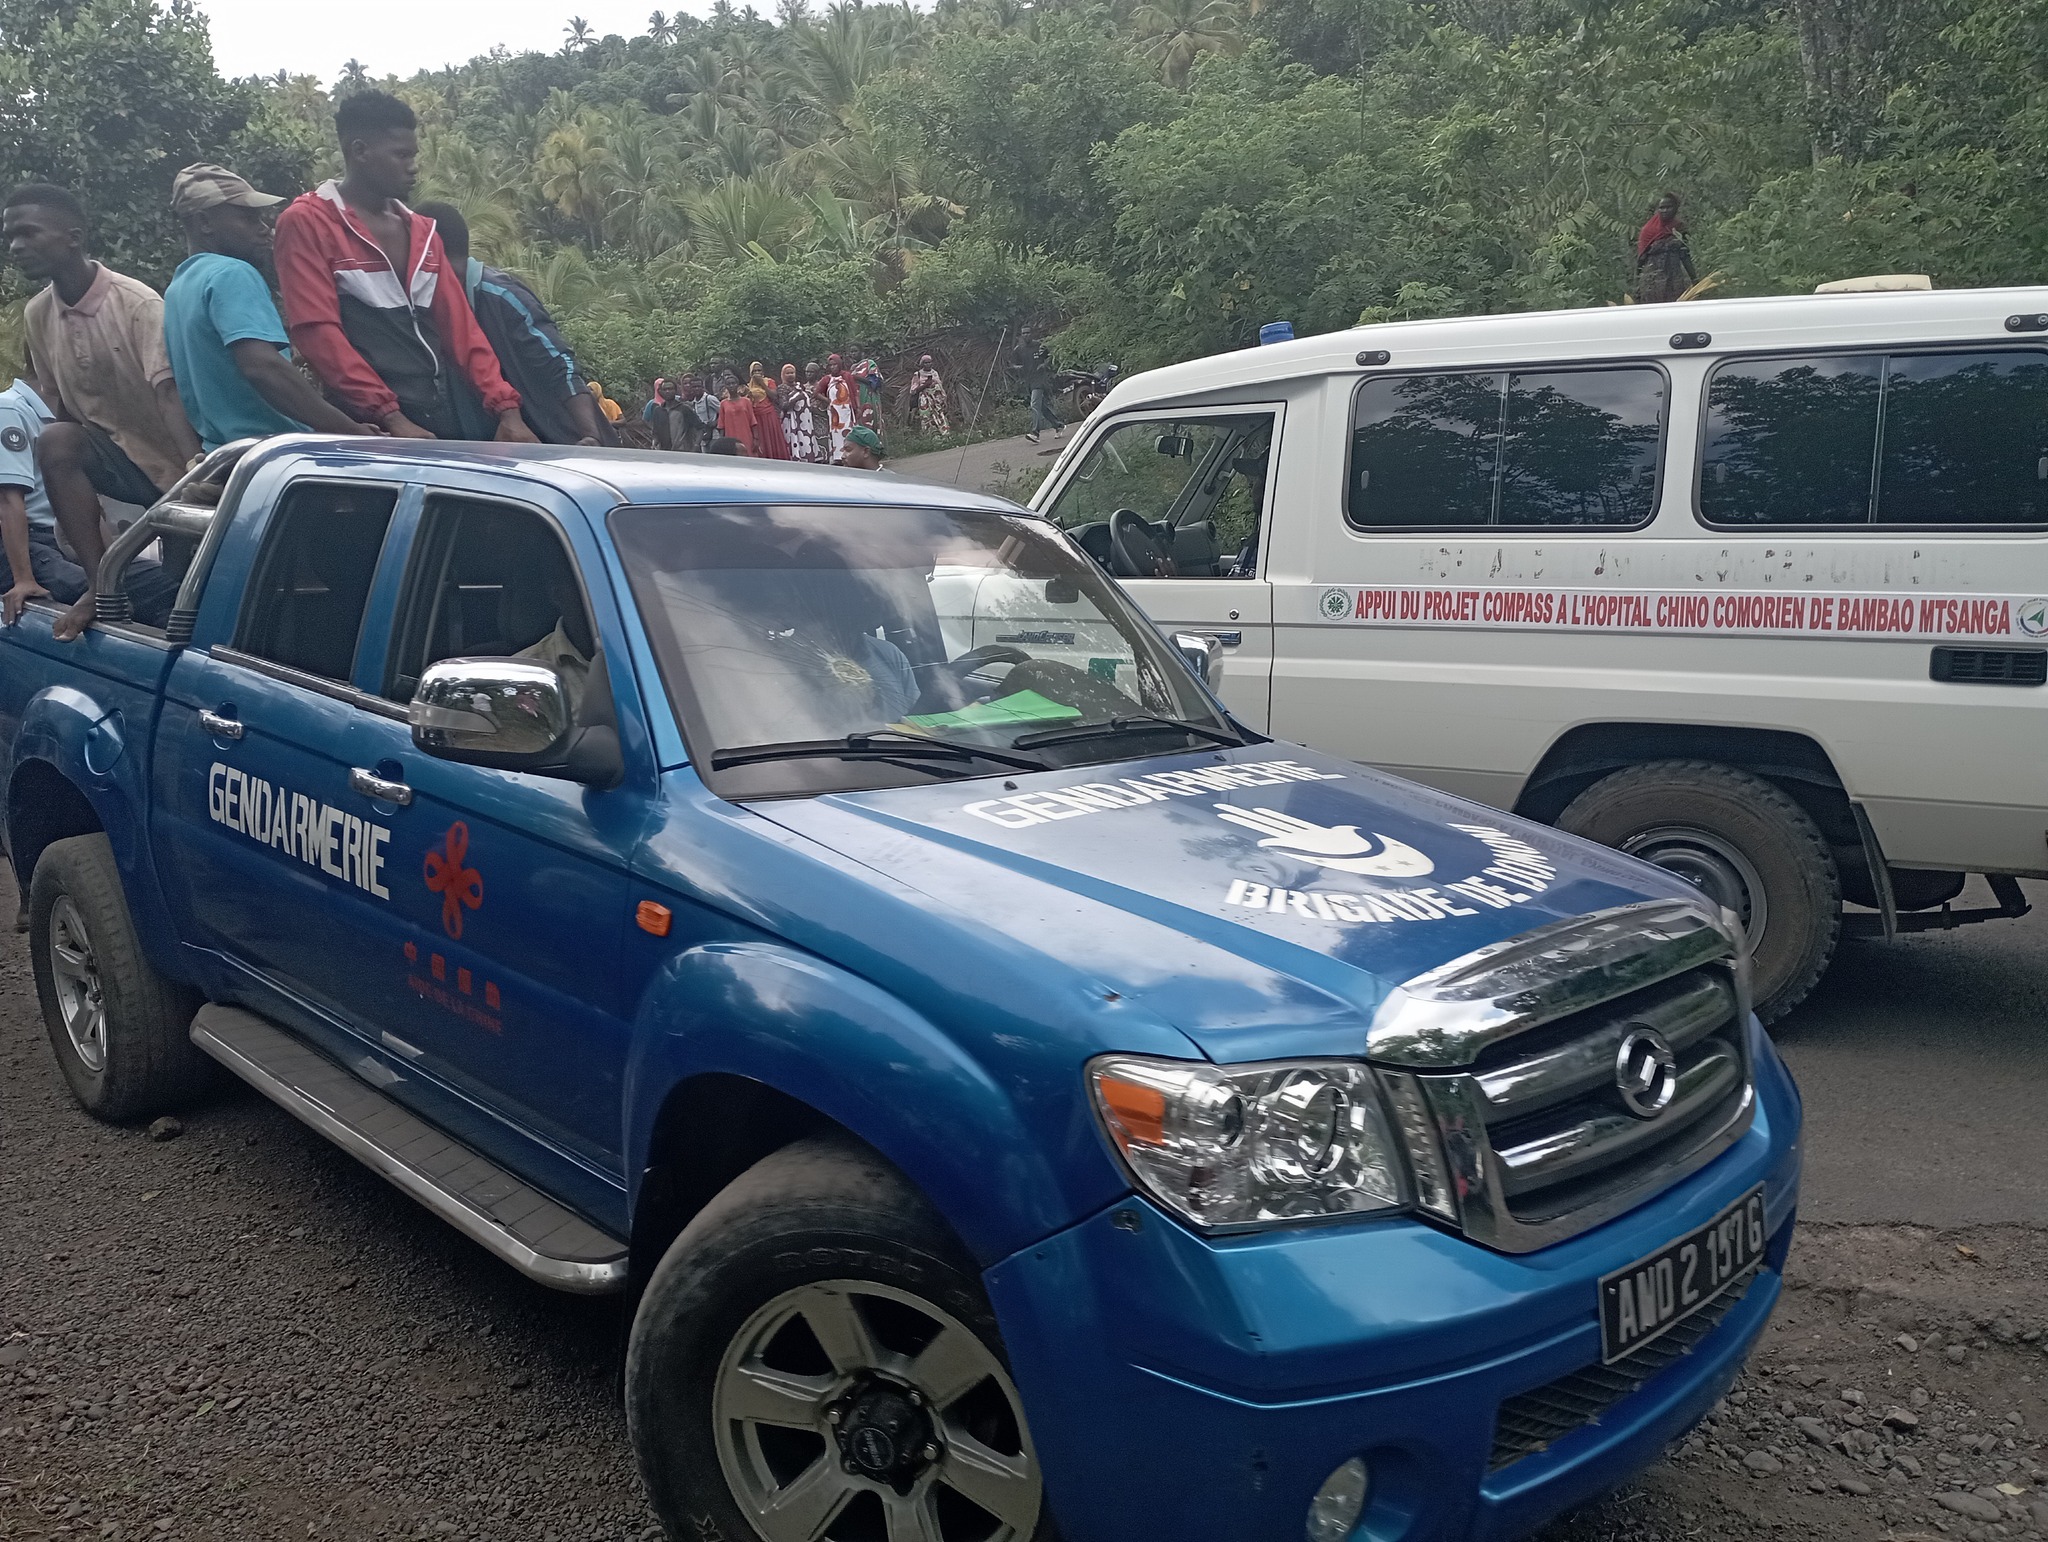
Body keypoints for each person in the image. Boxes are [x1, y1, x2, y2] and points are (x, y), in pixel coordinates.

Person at [273, 90, 533, 443]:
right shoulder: (308, 223)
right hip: (368, 428)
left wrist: (506, 409)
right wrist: (391, 417)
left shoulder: (423, 232)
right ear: (360, 151)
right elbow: (318, 334)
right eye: (401, 155)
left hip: (436, 417)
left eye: (414, 155)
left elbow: (461, 328)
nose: (413, 166)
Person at [5, 182, 202, 636]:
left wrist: (195, 474)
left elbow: (168, 394)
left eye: (28, 233)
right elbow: (63, 411)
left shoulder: (137, 303)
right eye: (10, 236)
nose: (15, 247)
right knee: (56, 439)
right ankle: (101, 586)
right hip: (118, 462)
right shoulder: (38, 314)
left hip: (178, 463)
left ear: (73, 238)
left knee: (184, 595)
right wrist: (78, 510)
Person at [162, 164, 378, 453]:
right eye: (248, 218)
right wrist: (350, 430)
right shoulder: (231, 274)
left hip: (223, 454)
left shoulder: (179, 287)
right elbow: (264, 368)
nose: (264, 228)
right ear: (204, 222)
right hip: (271, 451)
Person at [415, 201, 604, 447]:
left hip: (551, 448)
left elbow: (560, 366)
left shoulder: (503, 297)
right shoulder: (416, 304)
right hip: (476, 453)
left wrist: (590, 436)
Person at [1635, 192, 1698, 305]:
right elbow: (1641, 258)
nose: (1664, 210)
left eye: (1668, 207)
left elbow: (1685, 255)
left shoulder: (1679, 227)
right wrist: (1637, 285)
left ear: (1676, 208)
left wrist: (1694, 279)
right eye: (1661, 208)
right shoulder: (1648, 230)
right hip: (1653, 277)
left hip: (1675, 276)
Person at [1017, 330, 1063, 444]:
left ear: (1031, 334)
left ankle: (1035, 433)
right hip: (1029, 381)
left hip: (1039, 380)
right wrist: (1017, 368)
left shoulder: (1039, 345)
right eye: (1024, 333)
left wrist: (1044, 364)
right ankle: (1058, 425)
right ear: (1021, 335)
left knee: (1034, 404)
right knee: (1041, 407)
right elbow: (1013, 363)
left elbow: (1049, 357)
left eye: (1028, 332)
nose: (1026, 335)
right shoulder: (1020, 349)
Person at [777, 363, 821, 462]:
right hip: (791, 422)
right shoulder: (782, 388)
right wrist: (796, 398)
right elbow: (783, 406)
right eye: (788, 373)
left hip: (803, 422)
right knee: (794, 443)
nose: (790, 375)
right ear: (783, 375)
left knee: (805, 441)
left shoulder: (799, 386)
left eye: (792, 373)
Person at [747, 363, 791, 460]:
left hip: (769, 416)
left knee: (772, 441)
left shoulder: (769, 382)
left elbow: (774, 397)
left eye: (759, 370)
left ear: (762, 372)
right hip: (756, 418)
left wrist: (762, 384)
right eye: (754, 371)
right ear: (751, 373)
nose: (757, 373)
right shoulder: (748, 386)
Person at [820, 353, 857, 460]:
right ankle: (837, 457)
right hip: (834, 414)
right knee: (835, 434)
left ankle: (850, 456)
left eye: (835, 364)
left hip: (847, 412)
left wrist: (857, 407)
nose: (833, 367)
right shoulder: (827, 379)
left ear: (840, 364)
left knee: (848, 433)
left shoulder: (847, 376)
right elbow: (816, 393)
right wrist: (828, 401)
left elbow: (854, 393)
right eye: (830, 365)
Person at [907, 354, 950, 437]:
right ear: (922, 364)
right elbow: (913, 391)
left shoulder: (934, 373)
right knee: (926, 416)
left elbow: (940, 385)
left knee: (939, 415)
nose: (928, 364)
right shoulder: (918, 374)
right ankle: (929, 436)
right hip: (925, 399)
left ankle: (944, 434)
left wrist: (942, 397)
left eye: (929, 362)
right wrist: (925, 385)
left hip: (936, 399)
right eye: (926, 363)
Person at [717, 378, 758, 454]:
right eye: (728, 384)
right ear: (725, 387)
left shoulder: (746, 401)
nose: (731, 386)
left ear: (738, 385)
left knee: (748, 454)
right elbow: (721, 425)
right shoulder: (723, 403)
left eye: (733, 383)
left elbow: (753, 421)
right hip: (730, 437)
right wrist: (721, 441)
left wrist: (756, 439)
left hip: (746, 435)